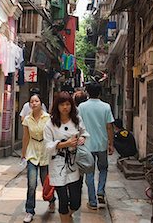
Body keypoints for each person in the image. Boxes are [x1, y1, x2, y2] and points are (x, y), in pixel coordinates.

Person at [44, 92, 89, 223]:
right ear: (57, 106)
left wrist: (81, 138)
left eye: (68, 104)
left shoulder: (77, 120)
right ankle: (65, 219)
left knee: (75, 202)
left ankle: (68, 217)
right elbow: (47, 146)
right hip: (57, 165)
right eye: (62, 104)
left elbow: (84, 133)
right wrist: (65, 144)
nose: (65, 107)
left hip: (73, 164)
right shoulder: (50, 124)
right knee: (63, 200)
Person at [77, 82, 114, 210]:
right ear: (100, 92)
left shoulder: (82, 107)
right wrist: (111, 143)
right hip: (102, 144)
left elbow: (78, 125)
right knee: (103, 169)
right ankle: (100, 191)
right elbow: (109, 127)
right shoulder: (106, 107)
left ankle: (92, 201)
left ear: (87, 92)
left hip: (87, 145)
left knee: (89, 173)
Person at [21, 93, 56, 223]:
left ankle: (52, 200)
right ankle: (29, 211)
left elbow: (53, 135)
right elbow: (25, 137)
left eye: (36, 101)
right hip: (32, 152)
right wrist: (23, 154)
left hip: (45, 152)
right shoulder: (27, 119)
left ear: (41, 103)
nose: (34, 103)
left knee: (45, 182)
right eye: (32, 101)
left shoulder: (48, 118)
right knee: (31, 184)